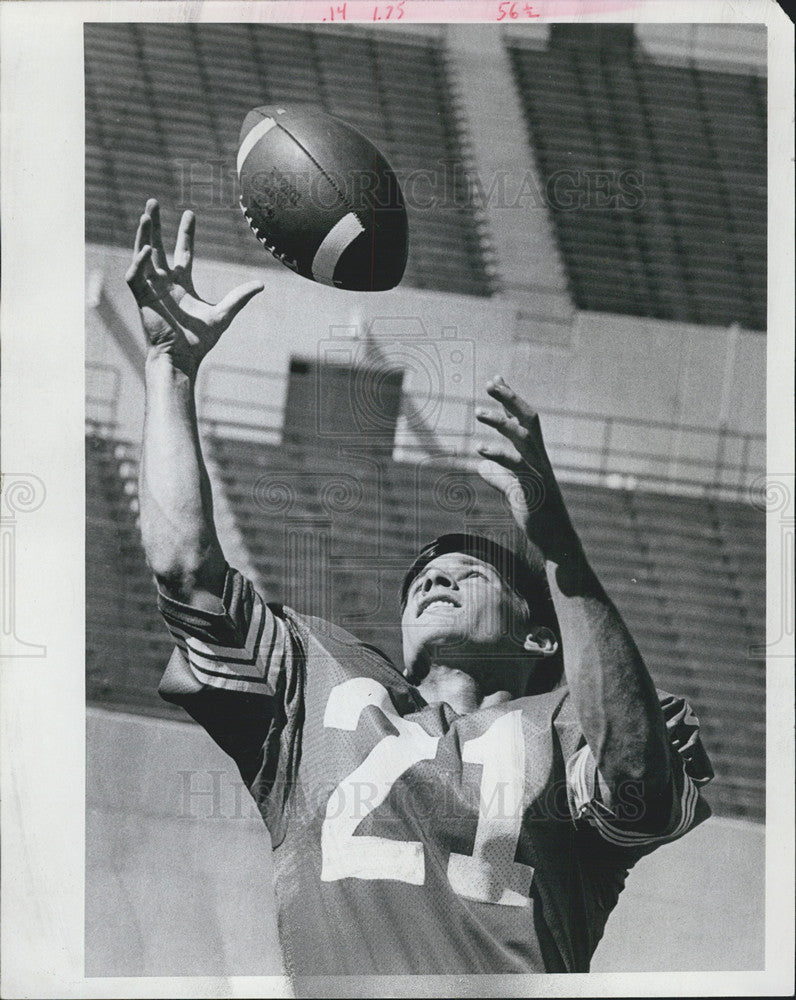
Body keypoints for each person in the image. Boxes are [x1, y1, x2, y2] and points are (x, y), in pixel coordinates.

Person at [127, 199, 713, 976]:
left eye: (473, 570)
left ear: (541, 635)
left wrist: (553, 543)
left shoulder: (577, 721)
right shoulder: (320, 677)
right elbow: (184, 570)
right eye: (424, 575)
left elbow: (635, 783)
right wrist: (169, 367)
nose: (436, 573)